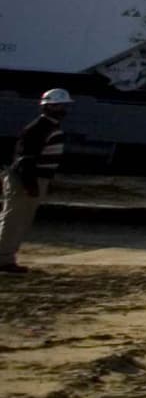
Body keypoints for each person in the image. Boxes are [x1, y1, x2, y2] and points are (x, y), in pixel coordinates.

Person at [3, 87, 68, 270]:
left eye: (62, 106)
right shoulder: (39, 128)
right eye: (57, 106)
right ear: (47, 107)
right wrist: (30, 184)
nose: (61, 109)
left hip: (33, 178)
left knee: (21, 220)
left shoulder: (47, 127)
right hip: (27, 178)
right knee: (15, 220)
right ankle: (3, 259)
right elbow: (27, 159)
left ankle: (7, 258)